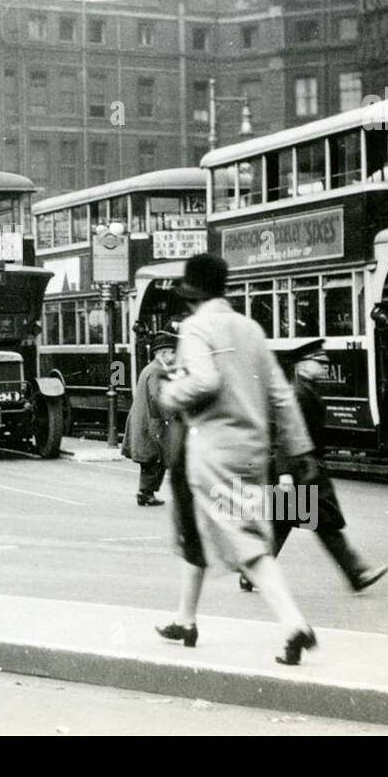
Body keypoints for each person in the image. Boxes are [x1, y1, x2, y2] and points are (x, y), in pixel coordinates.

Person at [158, 253, 320, 666]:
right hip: (252, 449)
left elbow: (204, 380)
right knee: (193, 526)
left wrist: (170, 394)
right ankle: (185, 619)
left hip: (212, 449)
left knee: (245, 541)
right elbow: (281, 396)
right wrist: (299, 449)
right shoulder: (250, 328)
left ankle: (294, 624)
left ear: (190, 295)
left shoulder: (196, 327)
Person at [239, 338, 388, 593]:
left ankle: (252, 573)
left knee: (286, 524)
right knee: (323, 523)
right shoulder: (298, 394)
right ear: (303, 366)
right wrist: (285, 474)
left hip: (302, 469)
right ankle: (357, 574)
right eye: (319, 362)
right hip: (299, 470)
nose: (324, 366)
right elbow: (287, 435)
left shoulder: (305, 390)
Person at [122, 331, 177, 507]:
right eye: (172, 352)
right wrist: (169, 416)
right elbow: (156, 396)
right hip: (152, 422)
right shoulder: (156, 371)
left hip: (146, 420)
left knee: (151, 459)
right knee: (155, 458)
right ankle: (146, 493)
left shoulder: (151, 368)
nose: (174, 356)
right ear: (163, 354)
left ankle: (146, 493)